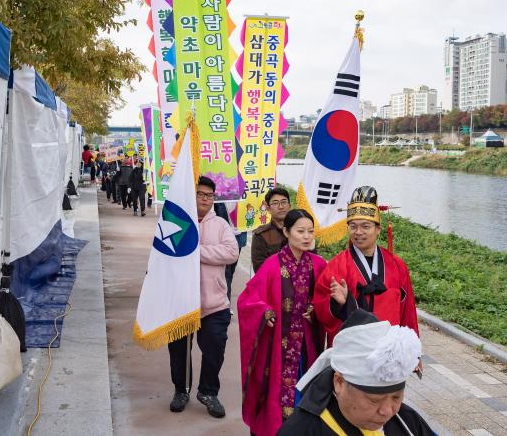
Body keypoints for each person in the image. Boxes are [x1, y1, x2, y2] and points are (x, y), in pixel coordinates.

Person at [238, 209, 328, 436]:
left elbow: (325, 300)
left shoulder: (319, 265)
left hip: (307, 347)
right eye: (300, 231)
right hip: (278, 345)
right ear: (286, 232)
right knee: (275, 395)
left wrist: (316, 308)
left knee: (306, 389)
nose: (307, 236)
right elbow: (247, 300)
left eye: (310, 231)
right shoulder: (271, 265)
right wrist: (264, 312)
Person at [278, 309, 435, 436]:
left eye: (396, 397)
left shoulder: (407, 421)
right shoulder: (301, 430)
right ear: (339, 382)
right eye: (374, 400)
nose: (387, 411)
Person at [312, 186, 420, 350]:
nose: (358, 232)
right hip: (351, 350)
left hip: (388, 349)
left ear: (378, 230)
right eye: (353, 226)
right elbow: (321, 308)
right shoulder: (337, 266)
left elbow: (408, 311)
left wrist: (413, 349)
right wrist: (338, 304)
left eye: (366, 226)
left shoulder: (397, 266)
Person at [168, 176, 238, 418]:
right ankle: (181, 390)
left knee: (214, 350)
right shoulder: (175, 221)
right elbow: (165, 253)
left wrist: (195, 251)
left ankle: (208, 392)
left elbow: (231, 252)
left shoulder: (220, 224)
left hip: (214, 303)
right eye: (200, 194)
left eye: (209, 195)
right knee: (178, 351)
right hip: (180, 301)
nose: (206, 199)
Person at [250, 188, 292, 272]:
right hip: (274, 283)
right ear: (268, 208)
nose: (281, 207)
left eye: (284, 202)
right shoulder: (261, 235)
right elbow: (260, 269)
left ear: (289, 206)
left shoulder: (299, 231)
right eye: (275, 203)